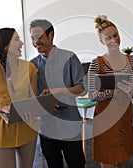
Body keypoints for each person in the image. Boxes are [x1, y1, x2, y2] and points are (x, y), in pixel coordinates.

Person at [0, 28, 38, 168]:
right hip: (2, 133)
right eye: (17, 39)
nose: (22, 43)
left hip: (27, 127)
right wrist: (1, 108)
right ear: (5, 45)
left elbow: (33, 101)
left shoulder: (30, 68)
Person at [29, 19, 86, 168]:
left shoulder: (70, 58)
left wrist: (60, 90)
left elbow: (81, 88)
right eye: (33, 38)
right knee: (53, 164)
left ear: (51, 35)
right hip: (46, 127)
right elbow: (32, 97)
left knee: (77, 163)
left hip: (70, 125)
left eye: (39, 36)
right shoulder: (32, 65)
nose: (36, 41)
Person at [87, 15, 133, 168]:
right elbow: (92, 95)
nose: (113, 40)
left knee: (122, 158)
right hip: (105, 118)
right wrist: (111, 92)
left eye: (115, 35)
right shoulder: (96, 64)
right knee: (108, 159)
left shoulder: (132, 61)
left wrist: (130, 90)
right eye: (108, 38)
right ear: (101, 41)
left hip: (125, 115)